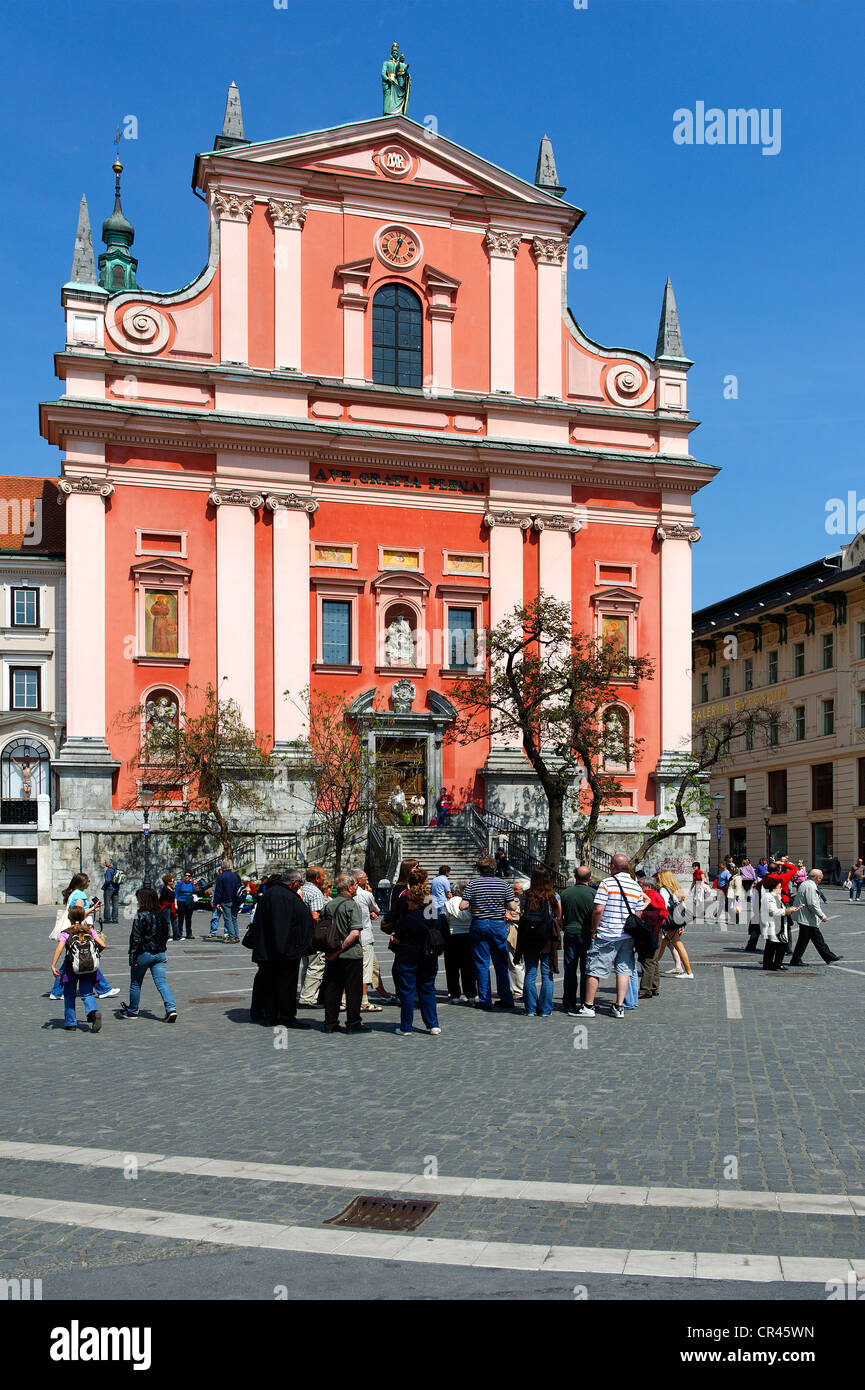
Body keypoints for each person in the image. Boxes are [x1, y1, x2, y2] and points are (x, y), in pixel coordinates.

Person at [578, 853, 648, 1019]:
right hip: (626, 936)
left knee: (595, 969)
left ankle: (588, 1006)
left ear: (612, 867)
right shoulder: (635, 886)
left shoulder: (607, 883)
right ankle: (619, 1006)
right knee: (624, 970)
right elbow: (638, 913)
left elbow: (598, 909)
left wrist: (594, 929)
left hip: (607, 933)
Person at [248, 866, 314, 1028]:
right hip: (284, 951)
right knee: (286, 985)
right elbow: (281, 925)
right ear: (292, 882)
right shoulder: (284, 897)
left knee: (270, 984)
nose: (300, 885)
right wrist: (285, 949)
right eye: (299, 882)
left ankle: (271, 1015)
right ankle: (286, 1016)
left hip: (269, 949)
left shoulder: (270, 894)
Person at [460, 855, 517, 1010]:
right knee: (501, 963)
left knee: (481, 963)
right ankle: (506, 997)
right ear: (495, 869)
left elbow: (462, 906)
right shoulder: (503, 884)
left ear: (479, 869)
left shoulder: (473, 884)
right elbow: (512, 907)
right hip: (498, 923)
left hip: (479, 923)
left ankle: (485, 1000)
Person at [390, 869, 442, 1036]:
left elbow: (398, 937)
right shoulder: (433, 914)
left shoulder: (408, 918)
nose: (408, 903)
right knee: (428, 988)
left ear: (415, 901)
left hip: (408, 955)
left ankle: (406, 1026)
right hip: (429, 954)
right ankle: (433, 1024)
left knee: (407, 991)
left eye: (411, 900)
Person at [50, 874, 118, 1001]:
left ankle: (58, 991)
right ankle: (103, 989)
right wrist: (93, 908)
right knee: (86, 958)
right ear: (82, 883)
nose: (89, 882)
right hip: (80, 931)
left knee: (75, 960)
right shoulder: (80, 895)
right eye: (88, 881)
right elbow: (79, 913)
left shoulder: (73, 893)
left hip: (74, 930)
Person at [119, 886, 178, 1021]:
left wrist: (132, 957)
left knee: (135, 983)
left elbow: (135, 938)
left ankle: (133, 1010)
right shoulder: (162, 914)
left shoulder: (141, 915)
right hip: (160, 953)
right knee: (161, 982)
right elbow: (166, 934)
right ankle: (171, 1008)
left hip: (144, 953)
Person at [321, 873, 369, 1034]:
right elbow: (355, 932)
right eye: (355, 885)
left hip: (331, 952)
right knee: (353, 990)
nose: (357, 888)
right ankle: (353, 1023)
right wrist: (340, 949)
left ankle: (330, 1022)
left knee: (332, 989)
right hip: (350, 953)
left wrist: (332, 952)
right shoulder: (351, 905)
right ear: (349, 887)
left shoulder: (329, 904)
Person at [514, 868, 562, 1017]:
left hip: (529, 937)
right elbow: (558, 914)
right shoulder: (553, 895)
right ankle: (546, 1009)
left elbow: (523, 912)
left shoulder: (525, 895)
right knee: (547, 973)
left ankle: (531, 1008)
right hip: (546, 937)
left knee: (530, 972)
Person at [51, 904, 106, 1032]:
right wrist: (95, 954)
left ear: (69, 918)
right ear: (83, 917)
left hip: (72, 966)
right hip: (88, 966)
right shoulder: (89, 930)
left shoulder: (66, 932)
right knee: (87, 992)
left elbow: (59, 949)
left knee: (69, 993)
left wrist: (53, 965)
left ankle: (71, 1022)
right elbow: (102, 944)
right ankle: (93, 1012)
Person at [350, 866, 386, 1012]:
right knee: (366, 969)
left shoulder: (344, 895)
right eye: (365, 878)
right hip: (364, 936)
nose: (368, 880)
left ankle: (344, 1000)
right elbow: (376, 909)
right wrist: (369, 894)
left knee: (351, 969)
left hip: (348, 937)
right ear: (359, 881)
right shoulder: (365, 894)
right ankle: (364, 1000)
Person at [560, 866, 595, 1013]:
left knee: (570, 968)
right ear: (590, 878)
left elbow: (560, 915)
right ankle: (585, 1000)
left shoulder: (565, 893)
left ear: (575, 877)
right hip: (587, 933)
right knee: (587, 969)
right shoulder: (594, 893)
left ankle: (569, 1001)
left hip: (570, 932)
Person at [789, 870, 842, 966]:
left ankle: (797, 959)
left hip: (806, 917)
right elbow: (812, 904)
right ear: (817, 877)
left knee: (808, 939)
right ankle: (828, 956)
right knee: (814, 938)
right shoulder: (810, 886)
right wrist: (822, 916)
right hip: (807, 917)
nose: (821, 880)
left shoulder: (807, 884)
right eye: (821, 878)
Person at [297, 865, 328, 1007]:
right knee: (316, 966)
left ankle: (305, 991)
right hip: (313, 935)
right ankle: (308, 997)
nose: (324, 879)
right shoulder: (315, 892)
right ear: (317, 878)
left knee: (307, 965)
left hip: (302, 934)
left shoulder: (302, 889)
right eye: (323, 876)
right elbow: (316, 916)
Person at [442, 880, 476, 1002]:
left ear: (456, 891)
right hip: (468, 934)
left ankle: (455, 994)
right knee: (469, 967)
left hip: (453, 935)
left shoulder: (450, 902)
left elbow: (445, 919)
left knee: (452, 968)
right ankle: (471, 994)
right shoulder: (471, 901)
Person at [655, 869, 693, 978]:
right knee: (676, 945)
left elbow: (664, 906)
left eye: (658, 878)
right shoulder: (675, 889)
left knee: (661, 946)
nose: (657, 881)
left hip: (668, 923)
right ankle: (689, 972)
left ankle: (649, 967)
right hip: (676, 922)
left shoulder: (663, 890)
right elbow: (683, 906)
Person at [635, 873, 667, 999]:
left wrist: (643, 915)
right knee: (652, 960)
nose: (639, 886)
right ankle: (654, 986)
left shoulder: (653, 896)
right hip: (650, 931)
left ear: (648, 887)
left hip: (651, 931)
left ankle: (645, 989)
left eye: (641, 885)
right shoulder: (650, 895)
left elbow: (662, 914)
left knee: (648, 960)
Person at [760, 874, 792, 971]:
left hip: (778, 923)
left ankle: (772, 964)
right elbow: (773, 911)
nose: (781, 887)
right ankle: (774, 964)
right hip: (773, 924)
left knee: (774, 944)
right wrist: (786, 911)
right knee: (776, 944)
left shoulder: (776, 896)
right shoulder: (769, 896)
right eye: (779, 886)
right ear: (774, 887)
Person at [210, 859, 242, 942]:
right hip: (235, 900)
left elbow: (218, 891)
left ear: (222, 867)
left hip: (225, 900)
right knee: (234, 918)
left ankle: (231, 937)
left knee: (228, 919)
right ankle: (236, 936)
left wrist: (217, 902)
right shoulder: (236, 876)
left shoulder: (221, 877)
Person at [175, 871, 195, 939]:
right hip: (181, 901)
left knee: (189, 918)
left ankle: (189, 933)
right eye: (186, 875)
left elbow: (195, 890)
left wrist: (196, 885)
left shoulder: (192, 883)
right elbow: (176, 893)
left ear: (190, 877)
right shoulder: (180, 883)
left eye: (189, 876)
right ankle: (179, 933)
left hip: (189, 900)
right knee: (181, 918)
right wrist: (175, 903)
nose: (187, 877)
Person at [159, 873, 178, 942]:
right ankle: (167, 935)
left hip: (172, 906)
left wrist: (175, 904)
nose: (173, 882)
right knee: (167, 922)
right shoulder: (164, 889)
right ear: (167, 882)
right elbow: (161, 899)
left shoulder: (172, 888)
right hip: (166, 907)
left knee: (175, 921)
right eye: (171, 881)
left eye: (173, 881)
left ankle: (176, 935)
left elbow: (174, 897)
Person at [102, 860, 120, 924]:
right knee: (115, 904)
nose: (105, 863)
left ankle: (107, 918)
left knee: (107, 903)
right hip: (116, 889)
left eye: (106, 862)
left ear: (110, 863)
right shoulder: (116, 870)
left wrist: (103, 887)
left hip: (109, 888)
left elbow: (107, 880)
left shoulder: (109, 870)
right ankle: (115, 918)